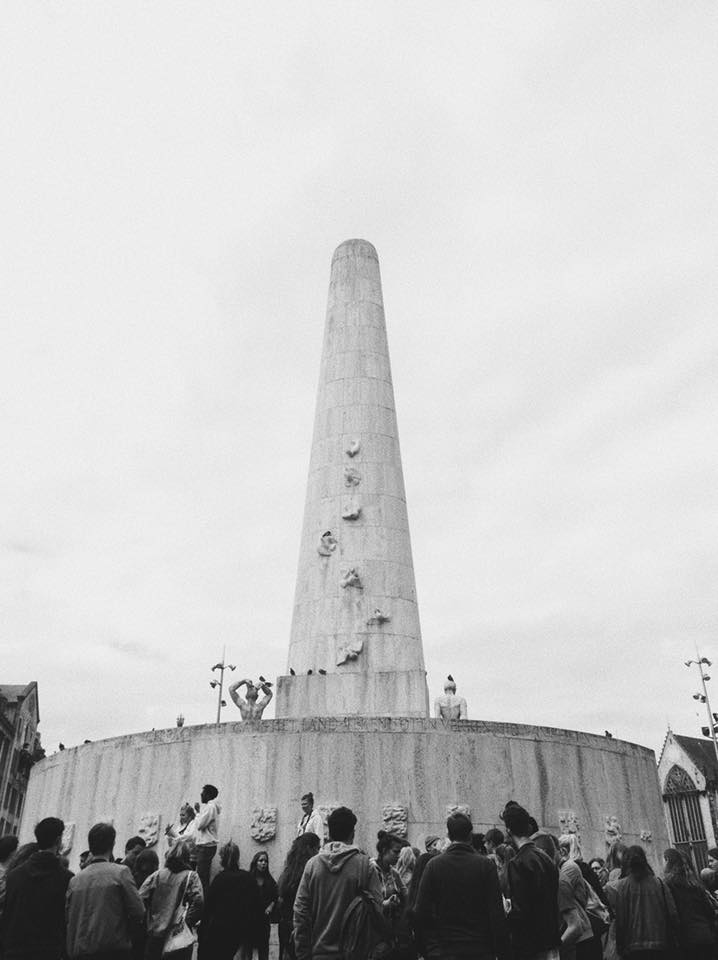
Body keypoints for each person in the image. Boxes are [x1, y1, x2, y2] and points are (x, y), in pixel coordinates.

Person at [414, 811, 509, 960]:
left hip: (444, 949)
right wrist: (501, 951)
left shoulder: (434, 865)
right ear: (470, 835)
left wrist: (429, 949)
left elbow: (420, 911)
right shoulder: (485, 865)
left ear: (448, 835)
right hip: (480, 949)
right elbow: (496, 912)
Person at [293, 805, 383, 960]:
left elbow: (300, 912)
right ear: (352, 833)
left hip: (319, 953)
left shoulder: (312, 865)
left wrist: (303, 953)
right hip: (355, 953)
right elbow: (377, 910)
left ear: (330, 833)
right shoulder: (365, 866)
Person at [66, 821, 145, 960]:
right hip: (113, 950)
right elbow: (139, 911)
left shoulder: (75, 880)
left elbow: (68, 917)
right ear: (112, 844)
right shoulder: (120, 873)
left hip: (80, 952)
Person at [0, 817, 72, 960]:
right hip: (48, 951)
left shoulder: (14, 876)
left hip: (14, 950)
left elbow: (7, 917)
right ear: (58, 841)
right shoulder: (66, 878)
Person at [503, 803, 561, 960]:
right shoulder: (545, 858)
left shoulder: (518, 863)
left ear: (508, 830)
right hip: (551, 940)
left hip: (531, 946)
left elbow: (521, 910)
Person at [604, 844, 678, 960]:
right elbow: (672, 913)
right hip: (659, 944)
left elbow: (621, 919)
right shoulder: (659, 883)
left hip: (632, 947)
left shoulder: (622, 886)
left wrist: (620, 946)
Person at [139, 838, 203, 960]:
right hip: (178, 937)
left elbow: (141, 898)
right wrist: (187, 922)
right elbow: (199, 902)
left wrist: (148, 919)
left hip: (155, 932)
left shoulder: (157, 875)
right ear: (187, 857)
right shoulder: (192, 877)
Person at [201, 841, 256, 960]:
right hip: (241, 933)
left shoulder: (219, 879)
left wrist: (202, 936)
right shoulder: (248, 878)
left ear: (222, 859)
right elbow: (256, 907)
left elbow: (208, 910)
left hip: (220, 933)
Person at [663, 848, 716, 960]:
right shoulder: (695, 884)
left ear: (668, 861)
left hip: (686, 939)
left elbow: (672, 914)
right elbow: (709, 911)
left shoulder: (668, 884)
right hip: (706, 935)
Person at [277, 833, 321, 960]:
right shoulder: (308, 873)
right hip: (300, 929)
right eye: (317, 848)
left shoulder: (288, 873)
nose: (319, 852)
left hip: (286, 926)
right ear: (309, 848)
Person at [556, 834, 596, 960]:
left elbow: (560, 891)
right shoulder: (571, 866)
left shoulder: (568, 868)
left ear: (562, 851)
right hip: (581, 931)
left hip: (580, 934)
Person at [241, 852, 278, 960]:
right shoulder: (248, 879)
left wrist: (271, 906)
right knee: (247, 950)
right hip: (249, 920)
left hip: (263, 921)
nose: (263, 863)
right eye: (261, 860)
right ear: (255, 862)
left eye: (266, 861)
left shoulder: (270, 881)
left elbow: (275, 897)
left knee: (263, 950)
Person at [194, 784, 221, 893]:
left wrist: (197, 813)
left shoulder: (210, 807)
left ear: (208, 795)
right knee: (203, 875)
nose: (201, 795)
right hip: (207, 846)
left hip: (206, 846)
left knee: (201, 877)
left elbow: (200, 825)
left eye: (203, 793)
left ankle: (203, 899)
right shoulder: (211, 807)